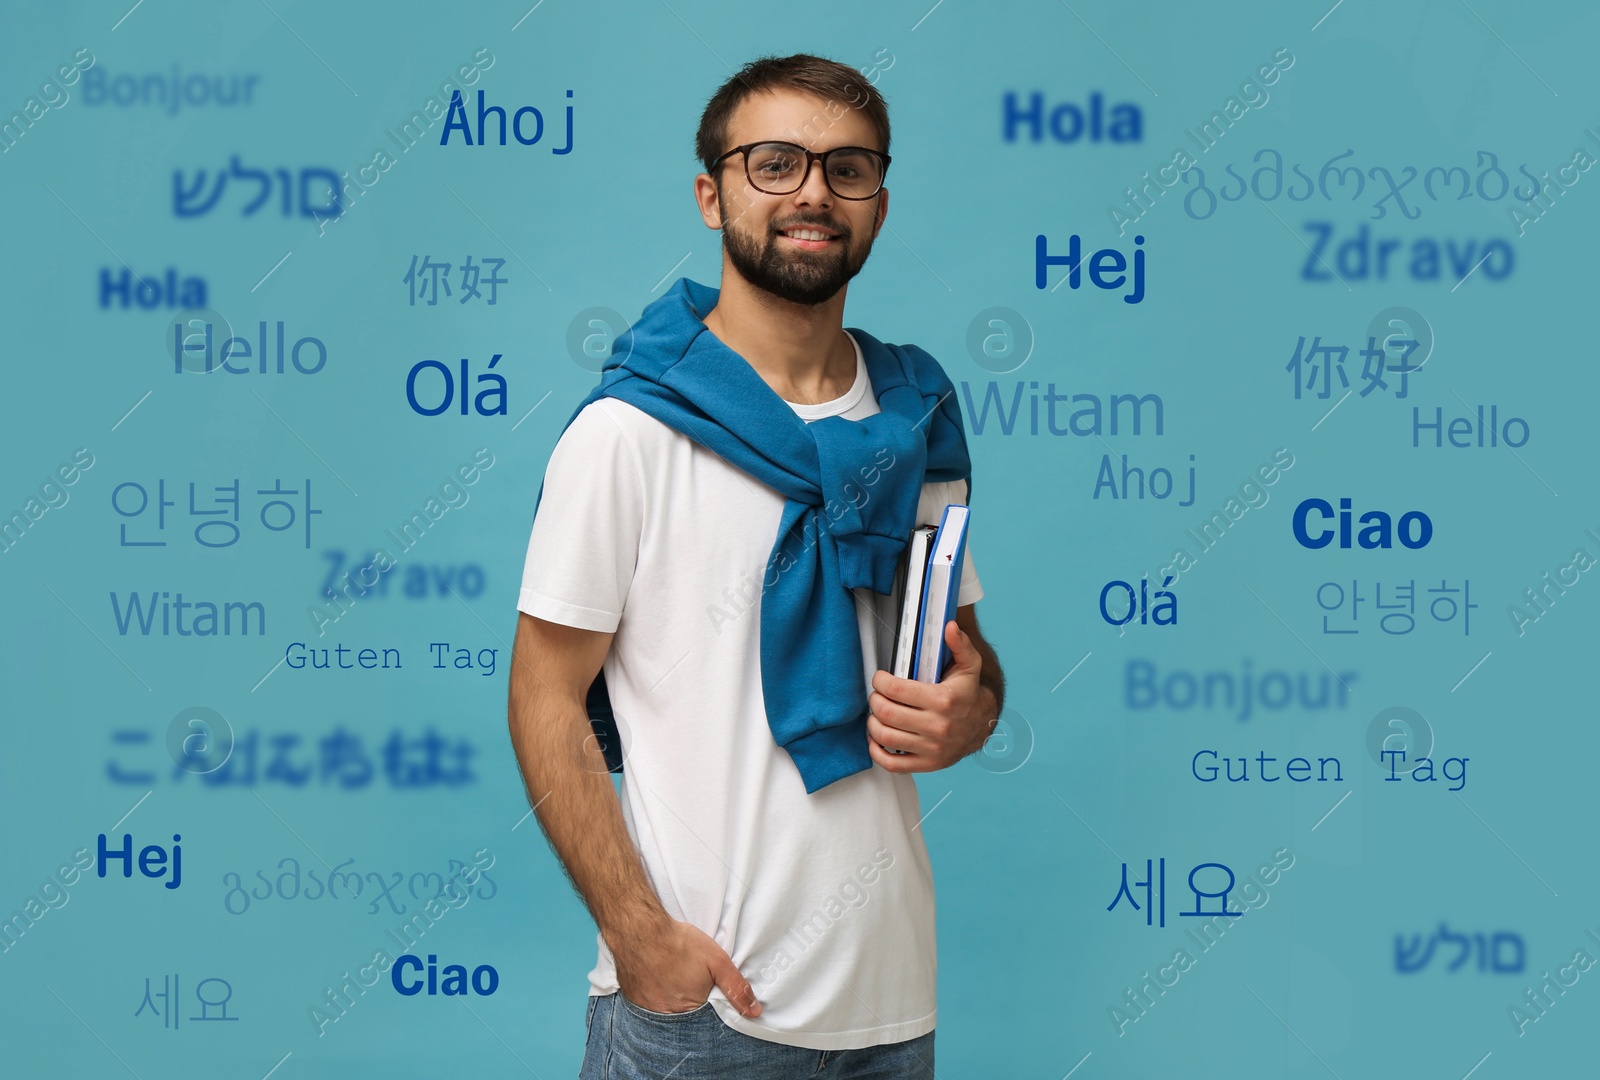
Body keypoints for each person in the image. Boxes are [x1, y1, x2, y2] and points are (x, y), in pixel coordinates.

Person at [507, 52, 1006, 1079]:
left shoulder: (915, 421)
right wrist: (639, 936)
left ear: (877, 201)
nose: (814, 192)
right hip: (702, 1014)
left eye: (848, 168)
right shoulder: (628, 434)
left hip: (888, 1003)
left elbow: (965, 659)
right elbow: (543, 695)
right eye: (774, 163)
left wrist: (976, 706)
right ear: (711, 193)